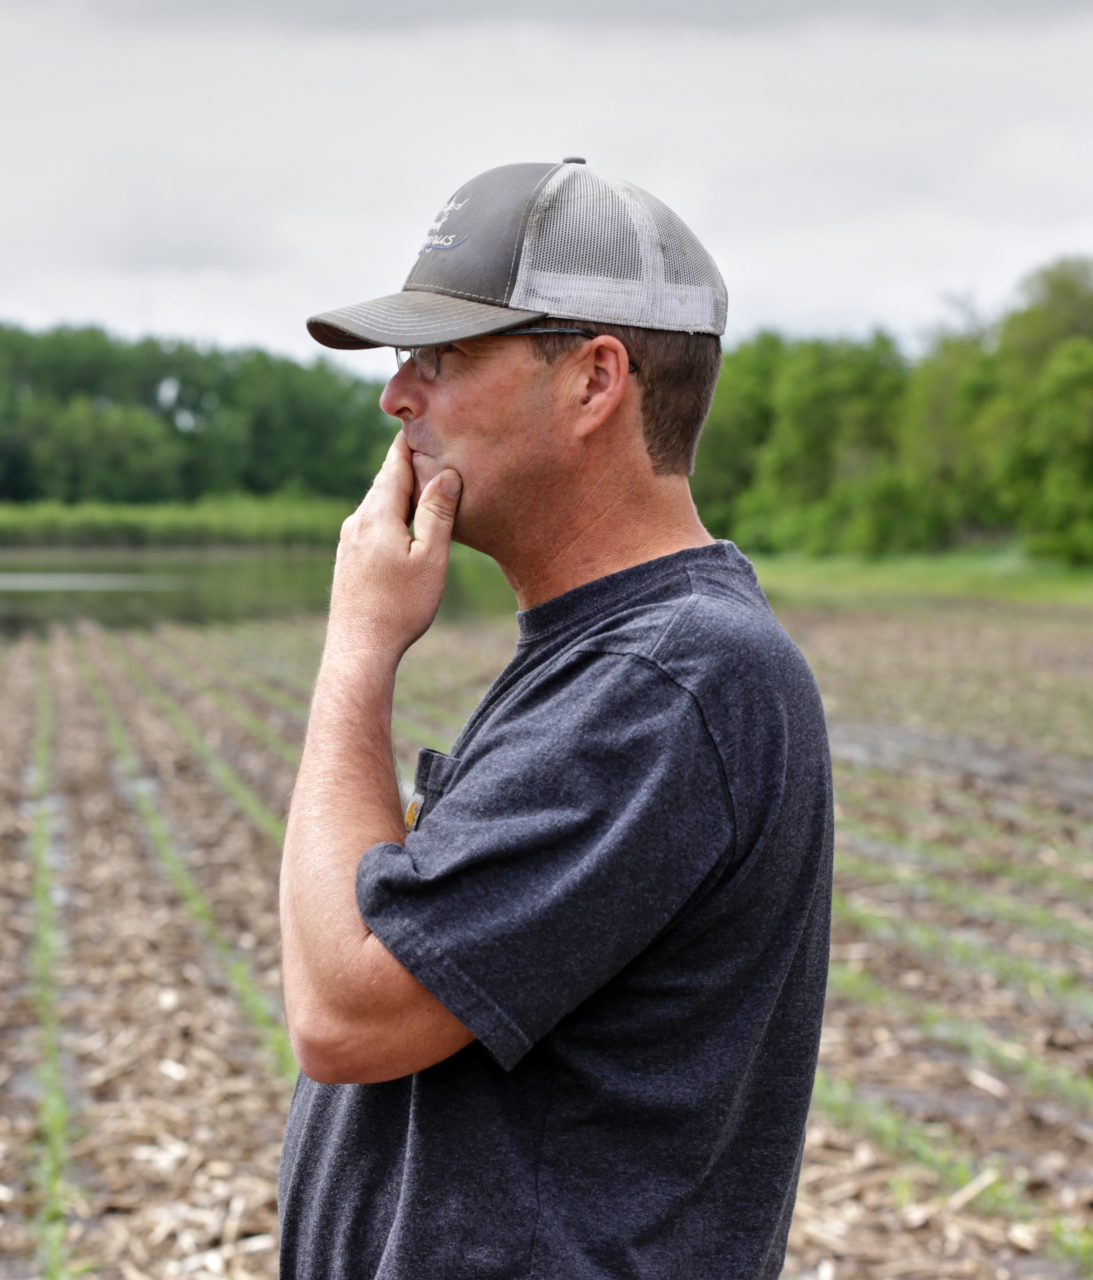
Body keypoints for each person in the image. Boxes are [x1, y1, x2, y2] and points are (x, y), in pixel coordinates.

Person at [276, 159, 834, 1279]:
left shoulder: (675, 676)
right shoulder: (614, 653)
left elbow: (347, 1009)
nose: (397, 397)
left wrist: (357, 651)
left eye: (442, 357)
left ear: (593, 381)